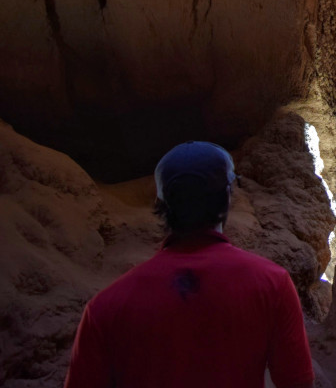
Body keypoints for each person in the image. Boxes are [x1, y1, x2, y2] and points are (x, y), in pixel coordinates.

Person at [64, 141, 314, 388]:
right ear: (227, 197)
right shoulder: (272, 284)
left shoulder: (105, 307)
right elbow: (297, 383)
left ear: (160, 204)